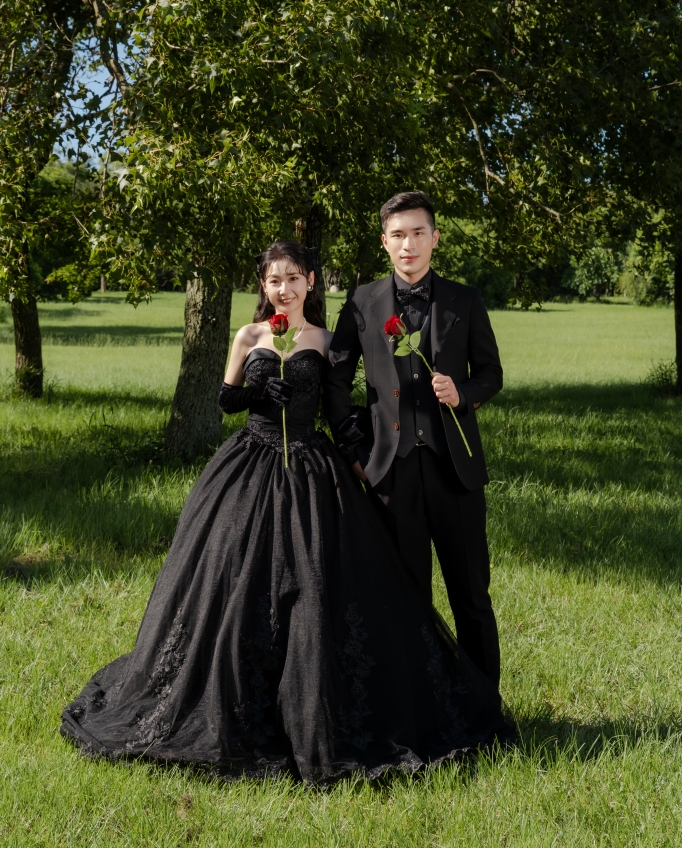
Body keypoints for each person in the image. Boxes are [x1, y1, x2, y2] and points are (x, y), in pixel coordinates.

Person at [61, 240, 512, 785]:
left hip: (310, 469)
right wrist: (257, 395)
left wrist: (359, 447)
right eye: (275, 280)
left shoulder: (323, 339)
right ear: (263, 286)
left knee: (318, 583)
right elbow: (225, 400)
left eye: (294, 278)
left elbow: (340, 398)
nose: (285, 288)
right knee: (233, 579)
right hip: (249, 466)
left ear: (310, 282)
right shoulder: (248, 335)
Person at [324, 192, 503, 689]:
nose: (409, 245)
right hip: (389, 473)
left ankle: (484, 709)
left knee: (472, 596)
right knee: (403, 598)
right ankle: (417, 709)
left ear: (435, 238)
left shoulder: (465, 300)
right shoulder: (360, 302)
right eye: (398, 235)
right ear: (384, 242)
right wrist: (354, 451)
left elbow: (491, 373)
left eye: (418, 233)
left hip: (456, 472)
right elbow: (335, 381)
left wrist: (463, 394)